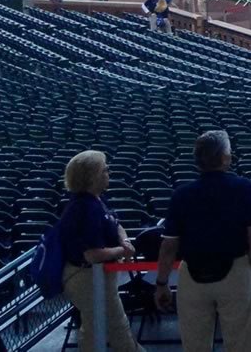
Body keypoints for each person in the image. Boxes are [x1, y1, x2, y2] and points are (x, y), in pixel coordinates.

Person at [155, 131, 251, 352]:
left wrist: (162, 282)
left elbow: (169, 247)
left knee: (195, 345)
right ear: (225, 157)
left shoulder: (181, 195)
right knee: (240, 344)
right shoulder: (243, 188)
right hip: (236, 272)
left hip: (192, 277)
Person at [58, 151, 144, 352]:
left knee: (96, 328)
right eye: (104, 170)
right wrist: (121, 250)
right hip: (88, 277)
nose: (108, 173)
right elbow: (92, 254)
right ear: (91, 177)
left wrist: (123, 240)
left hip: (96, 277)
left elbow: (115, 223)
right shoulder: (85, 208)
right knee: (117, 327)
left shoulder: (95, 200)